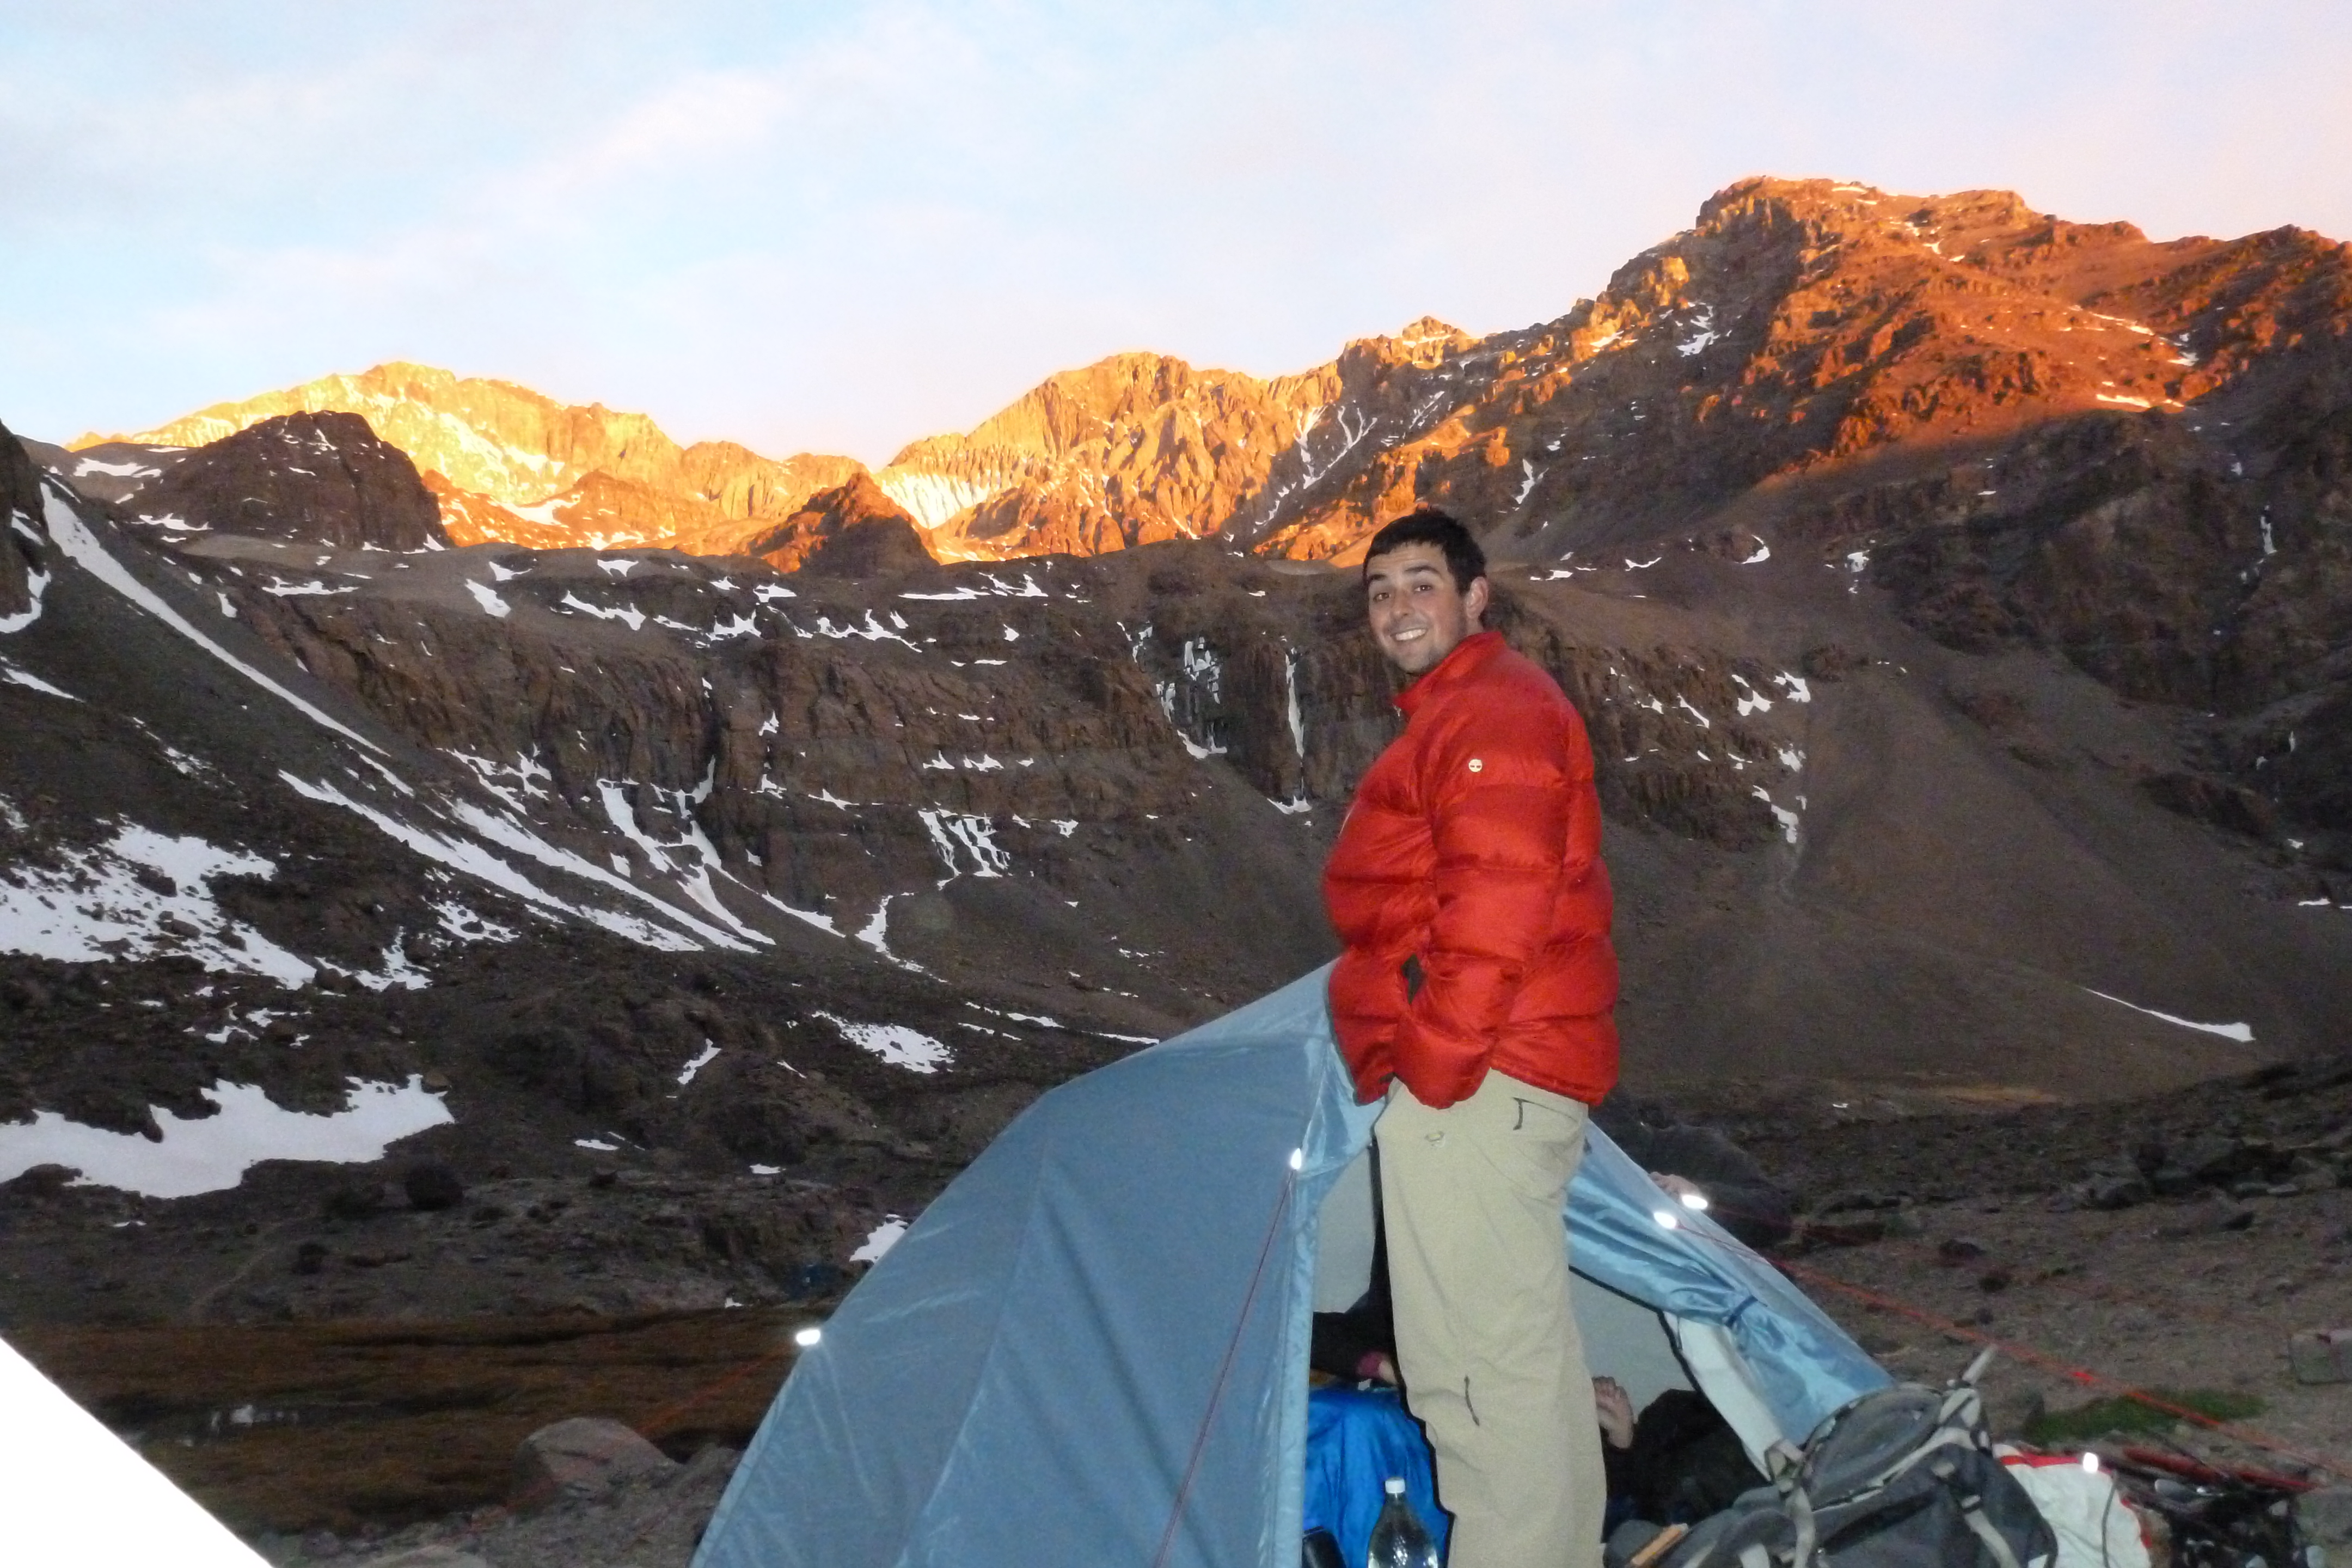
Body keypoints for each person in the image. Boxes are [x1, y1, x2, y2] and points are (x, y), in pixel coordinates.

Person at [1323, 508, 1620, 1568]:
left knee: (1476, 1385)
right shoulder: (1466, 710)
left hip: (1480, 1085)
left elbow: (1500, 906)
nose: (1398, 608)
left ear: (1475, 597)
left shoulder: (1493, 711)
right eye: (1380, 591)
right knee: (1521, 1374)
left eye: (1422, 583)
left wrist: (1433, 1074)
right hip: (1501, 1081)